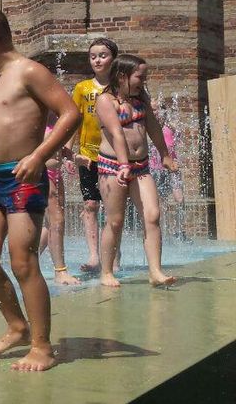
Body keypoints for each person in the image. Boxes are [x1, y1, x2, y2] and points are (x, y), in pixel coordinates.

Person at [0, 2, 80, 372]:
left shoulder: (29, 72)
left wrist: (39, 156)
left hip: (23, 179)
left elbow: (71, 113)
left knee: (23, 261)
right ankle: (17, 325)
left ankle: (41, 346)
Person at [94, 54, 177, 288]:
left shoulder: (141, 98)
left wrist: (165, 155)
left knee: (152, 216)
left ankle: (155, 272)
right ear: (123, 76)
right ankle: (107, 272)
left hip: (140, 166)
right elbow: (116, 134)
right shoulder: (105, 101)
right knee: (115, 221)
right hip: (113, 166)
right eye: (140, 76)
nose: (144, 80)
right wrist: (123, 164)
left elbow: (153, 127)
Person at [71, 38, 118, 273]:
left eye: (102, 55)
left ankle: (113, 256)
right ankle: (93, 256)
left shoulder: (120, 87)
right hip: (88, 155)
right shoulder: (82, 88)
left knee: (113, 208)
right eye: (93, 56)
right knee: (90, 204)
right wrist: (70, 152)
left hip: (113, 155)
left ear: (113, 59)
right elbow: (73, 120)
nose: (97, 60)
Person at [38, 120, 81, 285]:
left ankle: (30, 259)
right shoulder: (37, 121)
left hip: (56, 174)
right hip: (44, 174)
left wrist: (74, 157)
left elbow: (59, 149)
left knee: (50, 224)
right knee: (57, 222)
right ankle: (60, 271)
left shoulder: (56, 122)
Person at [150, 100, 187, 241]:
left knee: (180, 198)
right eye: (152, 110)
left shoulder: (171, 128)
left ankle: (180, 231)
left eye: (157, 109)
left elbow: (179, 147)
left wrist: (178, 161)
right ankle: (162, 234)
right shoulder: (149, 128)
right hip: (156, 170)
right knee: (161, 203)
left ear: (163, 111)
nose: (154, 112)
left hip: (172, 169)